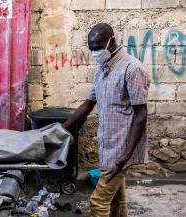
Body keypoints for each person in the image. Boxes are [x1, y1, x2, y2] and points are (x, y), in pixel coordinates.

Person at [63, 23, 150, 217]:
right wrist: (62, 129)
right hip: (107, 145)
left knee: (98, 202)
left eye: (97, 46)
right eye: (91, 48)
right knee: (117, 201)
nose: (94, 51)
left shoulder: (132, 68)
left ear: (111, 41)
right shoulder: (102, 69)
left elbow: (141, 114)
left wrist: (127, 154)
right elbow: (88, 104)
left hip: (121, 149)